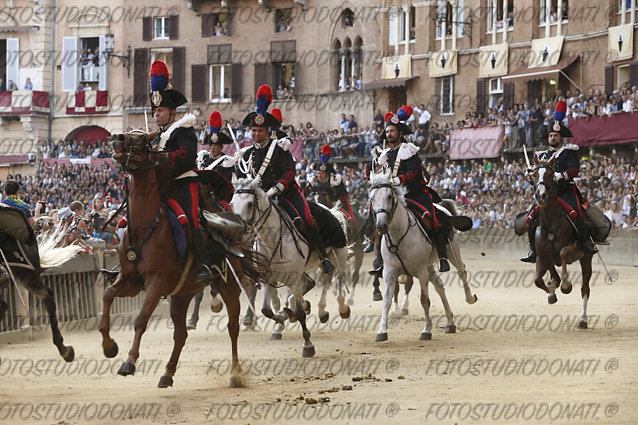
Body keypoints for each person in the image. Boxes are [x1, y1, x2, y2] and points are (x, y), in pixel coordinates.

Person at [235, 85, 334, 273]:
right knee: (241, 223)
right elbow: (241, 176)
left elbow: (289, 172)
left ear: (267, 131)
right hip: (257, 198)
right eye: (253, 130)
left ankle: (322, 257)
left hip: (285, 194)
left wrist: (275, 190)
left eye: (259, 131)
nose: (256, 134)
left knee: (307, 218)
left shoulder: (280, 148)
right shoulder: (246, 154)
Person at [148, 60, 213, 284]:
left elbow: (186, 156)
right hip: (161, 188)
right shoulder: (155, 136)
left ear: (172, 112)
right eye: (154, 110)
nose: (156, 114)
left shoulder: (184, 129)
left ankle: (201, 264)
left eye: (161, 110)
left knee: (191, 218)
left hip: (184, 184)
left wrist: (160, 157)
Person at [370, 106, 450, 275]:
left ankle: (442, 256)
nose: (390, 134)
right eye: (388, 131)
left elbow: (414, 172)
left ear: (400, 133)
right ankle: (376, 252)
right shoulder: (384, 154)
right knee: (376, 213)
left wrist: (399, 180)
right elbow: (377, 174)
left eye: (393, 131)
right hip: (393, 195)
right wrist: (374, 166)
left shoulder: (408, 150)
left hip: (414, 193)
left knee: (432, 218)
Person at [519, 100, 599, 263]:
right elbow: (538, 174)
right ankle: (533, 250)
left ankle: (584, 243)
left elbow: (574, 170)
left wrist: (559, 176)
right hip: (547, 193)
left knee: (578, 213)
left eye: (555, 135)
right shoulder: (543, 155)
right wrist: (530, 173)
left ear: (561, 137)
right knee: (530, 218)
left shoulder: (569, 152)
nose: (553, 137)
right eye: (550, 135)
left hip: (565, 190)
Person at [305, 144, 355, 223]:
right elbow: (306, 194)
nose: (319, 176)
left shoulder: (335, 180)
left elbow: (342, 194)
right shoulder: (313, 180)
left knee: (347, 218)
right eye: (318, 173)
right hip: (317, 205)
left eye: (322, 173)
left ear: (327, 173)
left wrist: (336, 203)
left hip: (334, 205)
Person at [197, 110, 235, 211]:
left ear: (221, 147)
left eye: (216, 146)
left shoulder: (226, 162)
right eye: (211, 145)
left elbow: (227, 186)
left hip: (217, 199)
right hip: (199, 197)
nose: (213, 148)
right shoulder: (202, 158)